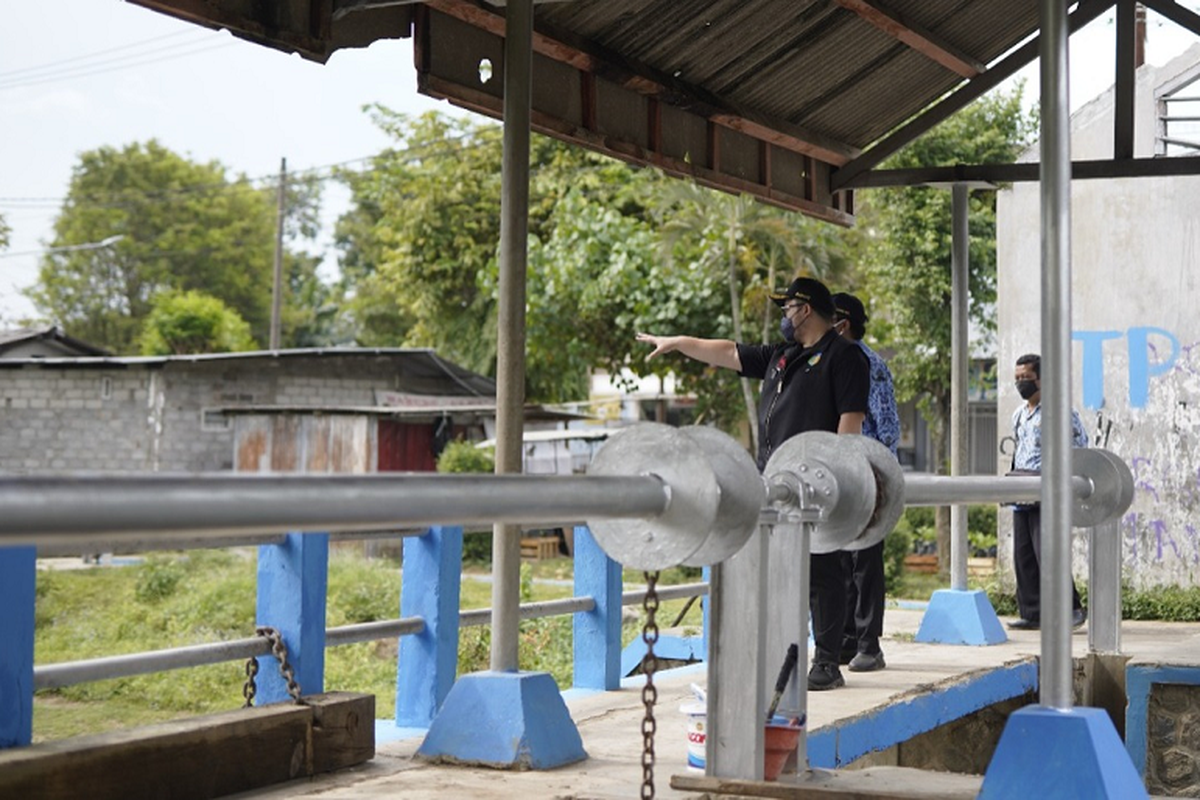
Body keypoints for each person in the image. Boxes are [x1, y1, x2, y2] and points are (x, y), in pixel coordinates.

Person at [637, 276, 869, 690]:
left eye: (787, 308)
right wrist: (677, 342)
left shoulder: (845, 356)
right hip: (775, 480)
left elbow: (849, 422)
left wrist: (838, 476)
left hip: (819, 480)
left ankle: (828, 660)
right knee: (779, 569)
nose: (784, 316)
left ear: (807, 309)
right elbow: (727, 352)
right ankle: (786, 652)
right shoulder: (782, 355)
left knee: (822, 571)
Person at [830, 292, 899, 673]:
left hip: (867, 475)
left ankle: (868, 644)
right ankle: (843, 640)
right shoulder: (833, 362)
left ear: (843, 322)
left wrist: (871, 474)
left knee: (864, 562)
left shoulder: (868, 364)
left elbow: (887, 428)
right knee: (839, 561)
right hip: (839, 476)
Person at [1008, 352, 1088, 630]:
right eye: (1018, 378)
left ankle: (1072, 609)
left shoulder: (1059, 411)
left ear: (1043, 379)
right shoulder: (1019, 415)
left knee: (1049, 553)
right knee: (1024, 555)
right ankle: (1033, 613)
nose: (1021, 383)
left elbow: (1079, 445)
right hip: (1021, 489)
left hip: (1048, 493)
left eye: (1027, 378)